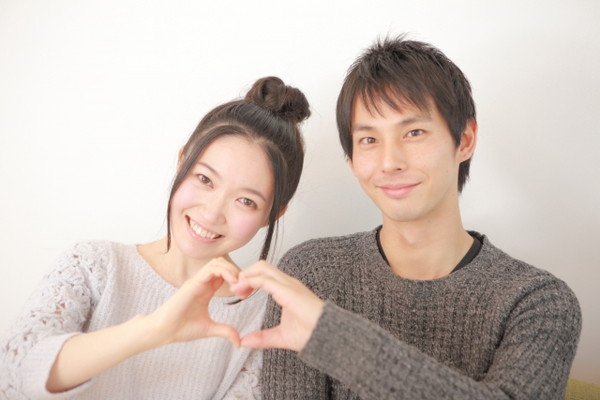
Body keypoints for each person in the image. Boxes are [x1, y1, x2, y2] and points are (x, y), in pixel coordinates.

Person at [227, 36, 582, 399]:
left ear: (464, 140)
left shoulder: (538, 301)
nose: (389, 162)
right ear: (351, 160)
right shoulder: (311, 273)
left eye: (414, 132)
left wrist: (332, 336)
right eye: (369, 140)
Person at [0, 76, 310, 399]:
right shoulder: (95, 265)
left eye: (246, 201)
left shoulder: (264, 321)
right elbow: (12, 372)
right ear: (181, 162)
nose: (212, 213)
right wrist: (153, 330)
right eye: (205, 179)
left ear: (274, 214)